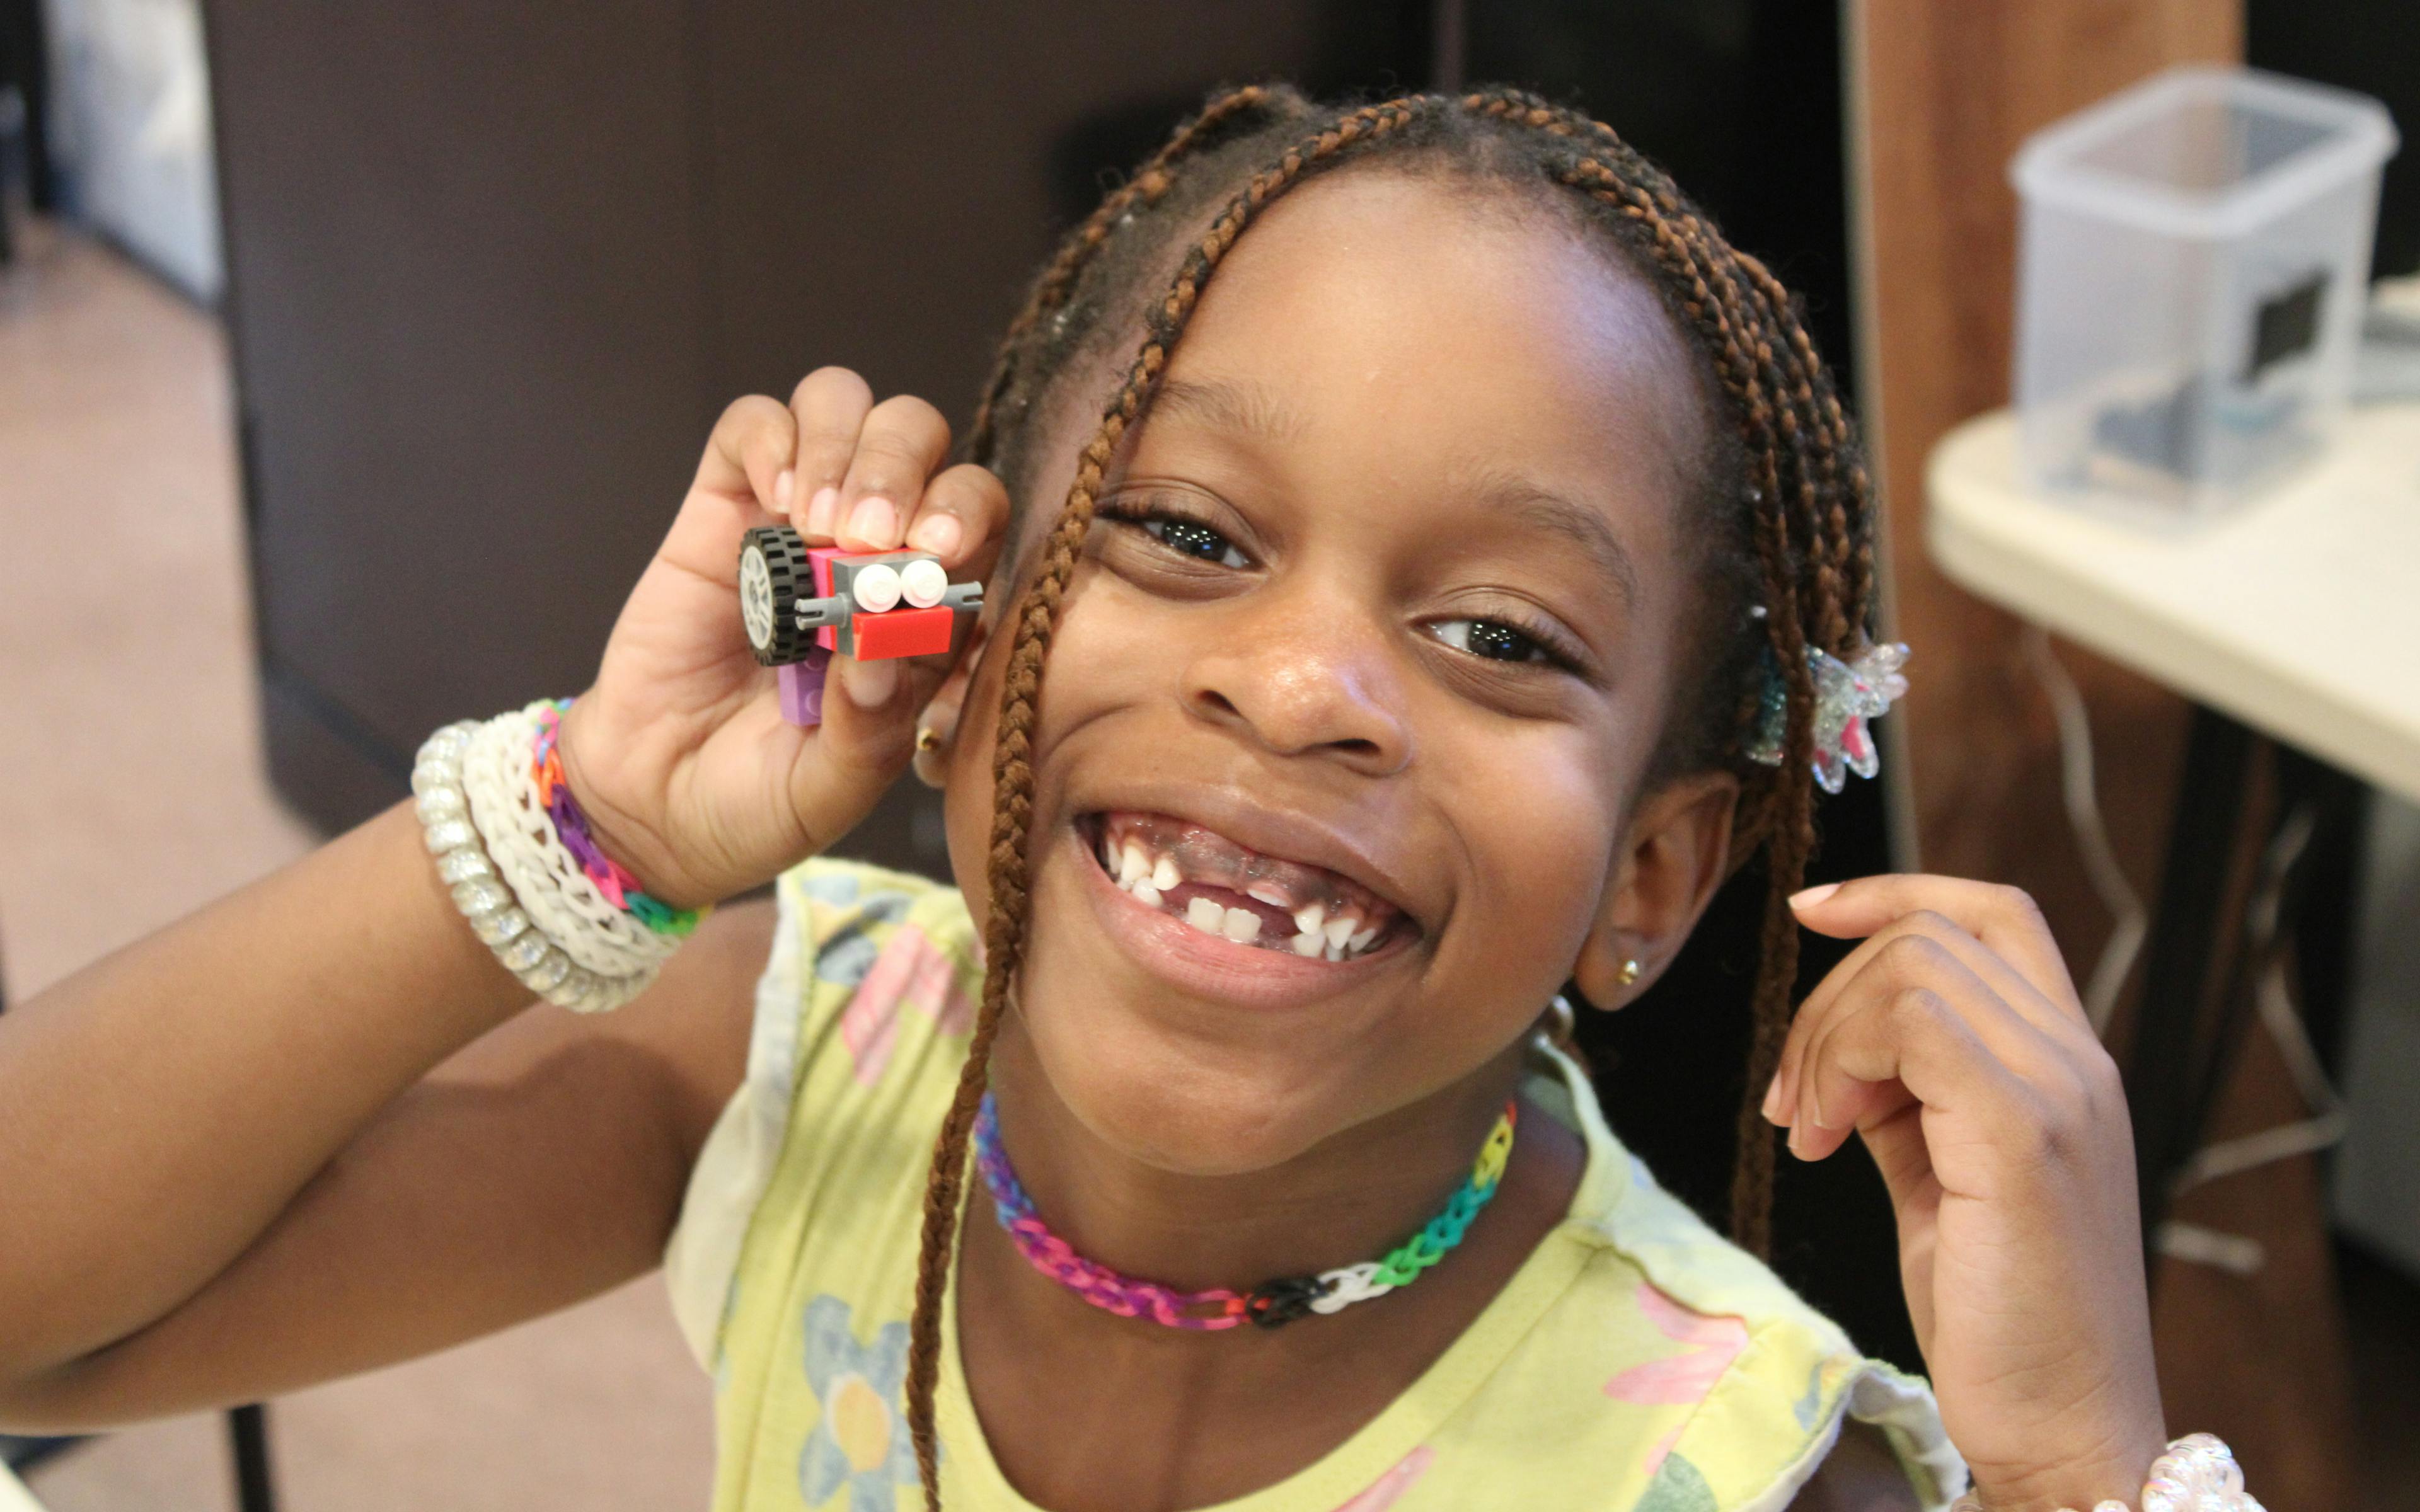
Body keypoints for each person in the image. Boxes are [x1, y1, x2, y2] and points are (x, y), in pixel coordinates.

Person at [0, 88, 2191, 1512]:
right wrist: (602, 819)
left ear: (1652, 873)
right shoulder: (807, 1057)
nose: (1307, 683)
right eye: (1192, 537)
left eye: (1502, 637)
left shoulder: (1729, 1463)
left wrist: (2085, 1472)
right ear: (951, 639)